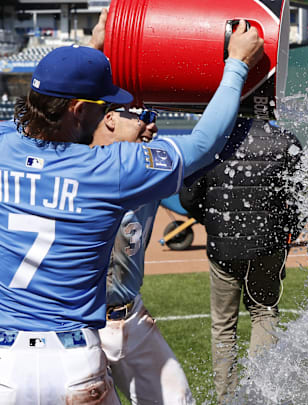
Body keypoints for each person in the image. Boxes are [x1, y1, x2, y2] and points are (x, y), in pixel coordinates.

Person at [0, 12, 263, 403]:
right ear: (77, 111)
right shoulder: (107, 169)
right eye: (100, 103)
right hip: (74, 361)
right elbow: (203, 145)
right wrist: (238, 65)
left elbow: (27, 119)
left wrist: (86, 55)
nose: (107, 110)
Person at [179, 118, 303, 403]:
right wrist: (288, 230)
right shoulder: (284, 139)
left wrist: (212, 221)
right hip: (269, 244)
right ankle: (260, 394)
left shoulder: (211, 138)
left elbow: (188, 196)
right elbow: (300, 197)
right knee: (264, 314)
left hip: (224, 247)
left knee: (223, 326)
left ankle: (227, 398)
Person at [90, 105, 194, 404]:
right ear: (109, 118)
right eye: (143, 117)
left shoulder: (151, 171)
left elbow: (187, 201)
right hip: (79, 320)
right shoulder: (75, 164)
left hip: (130, 314)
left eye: (155, 119)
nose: (152, 127)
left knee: (176, 398)